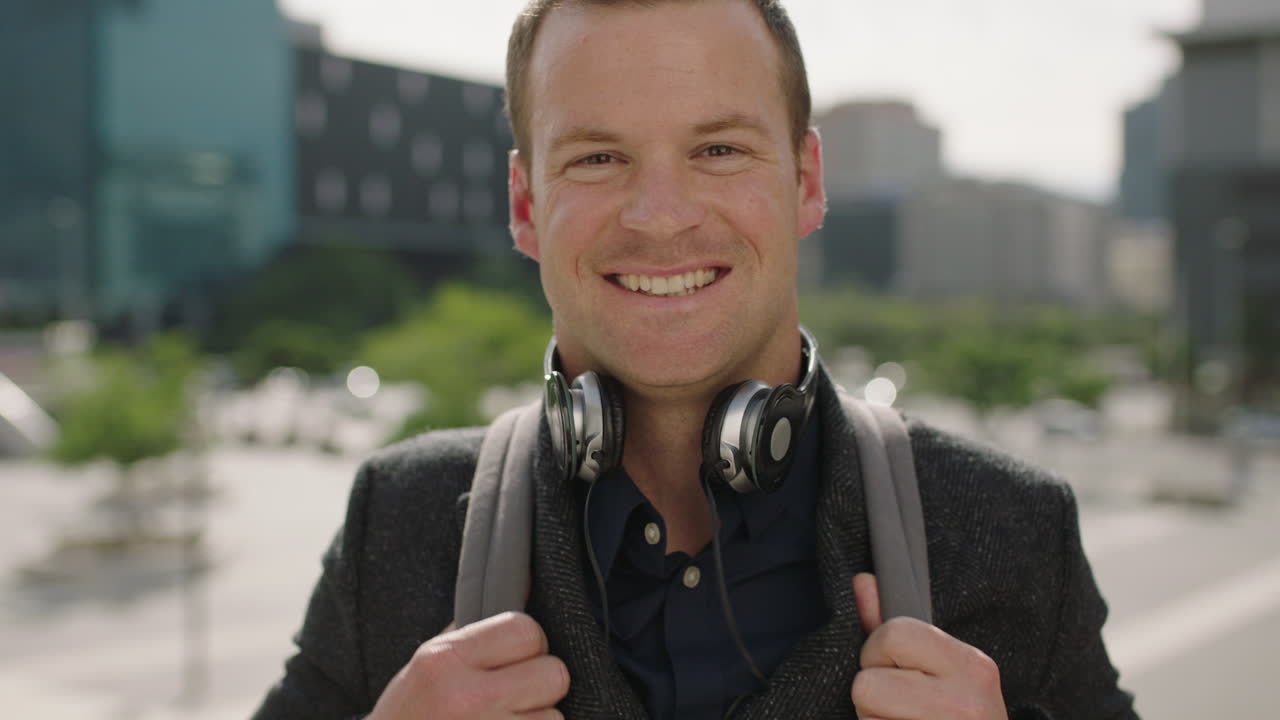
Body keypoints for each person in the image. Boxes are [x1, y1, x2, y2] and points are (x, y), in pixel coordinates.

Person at [252, 1, 1137, 718]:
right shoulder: (398, 524)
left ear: (807, 180)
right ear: (525, 204)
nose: (661, 215)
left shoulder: (1012, 529)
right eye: (598, 157)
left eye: (718, 150)